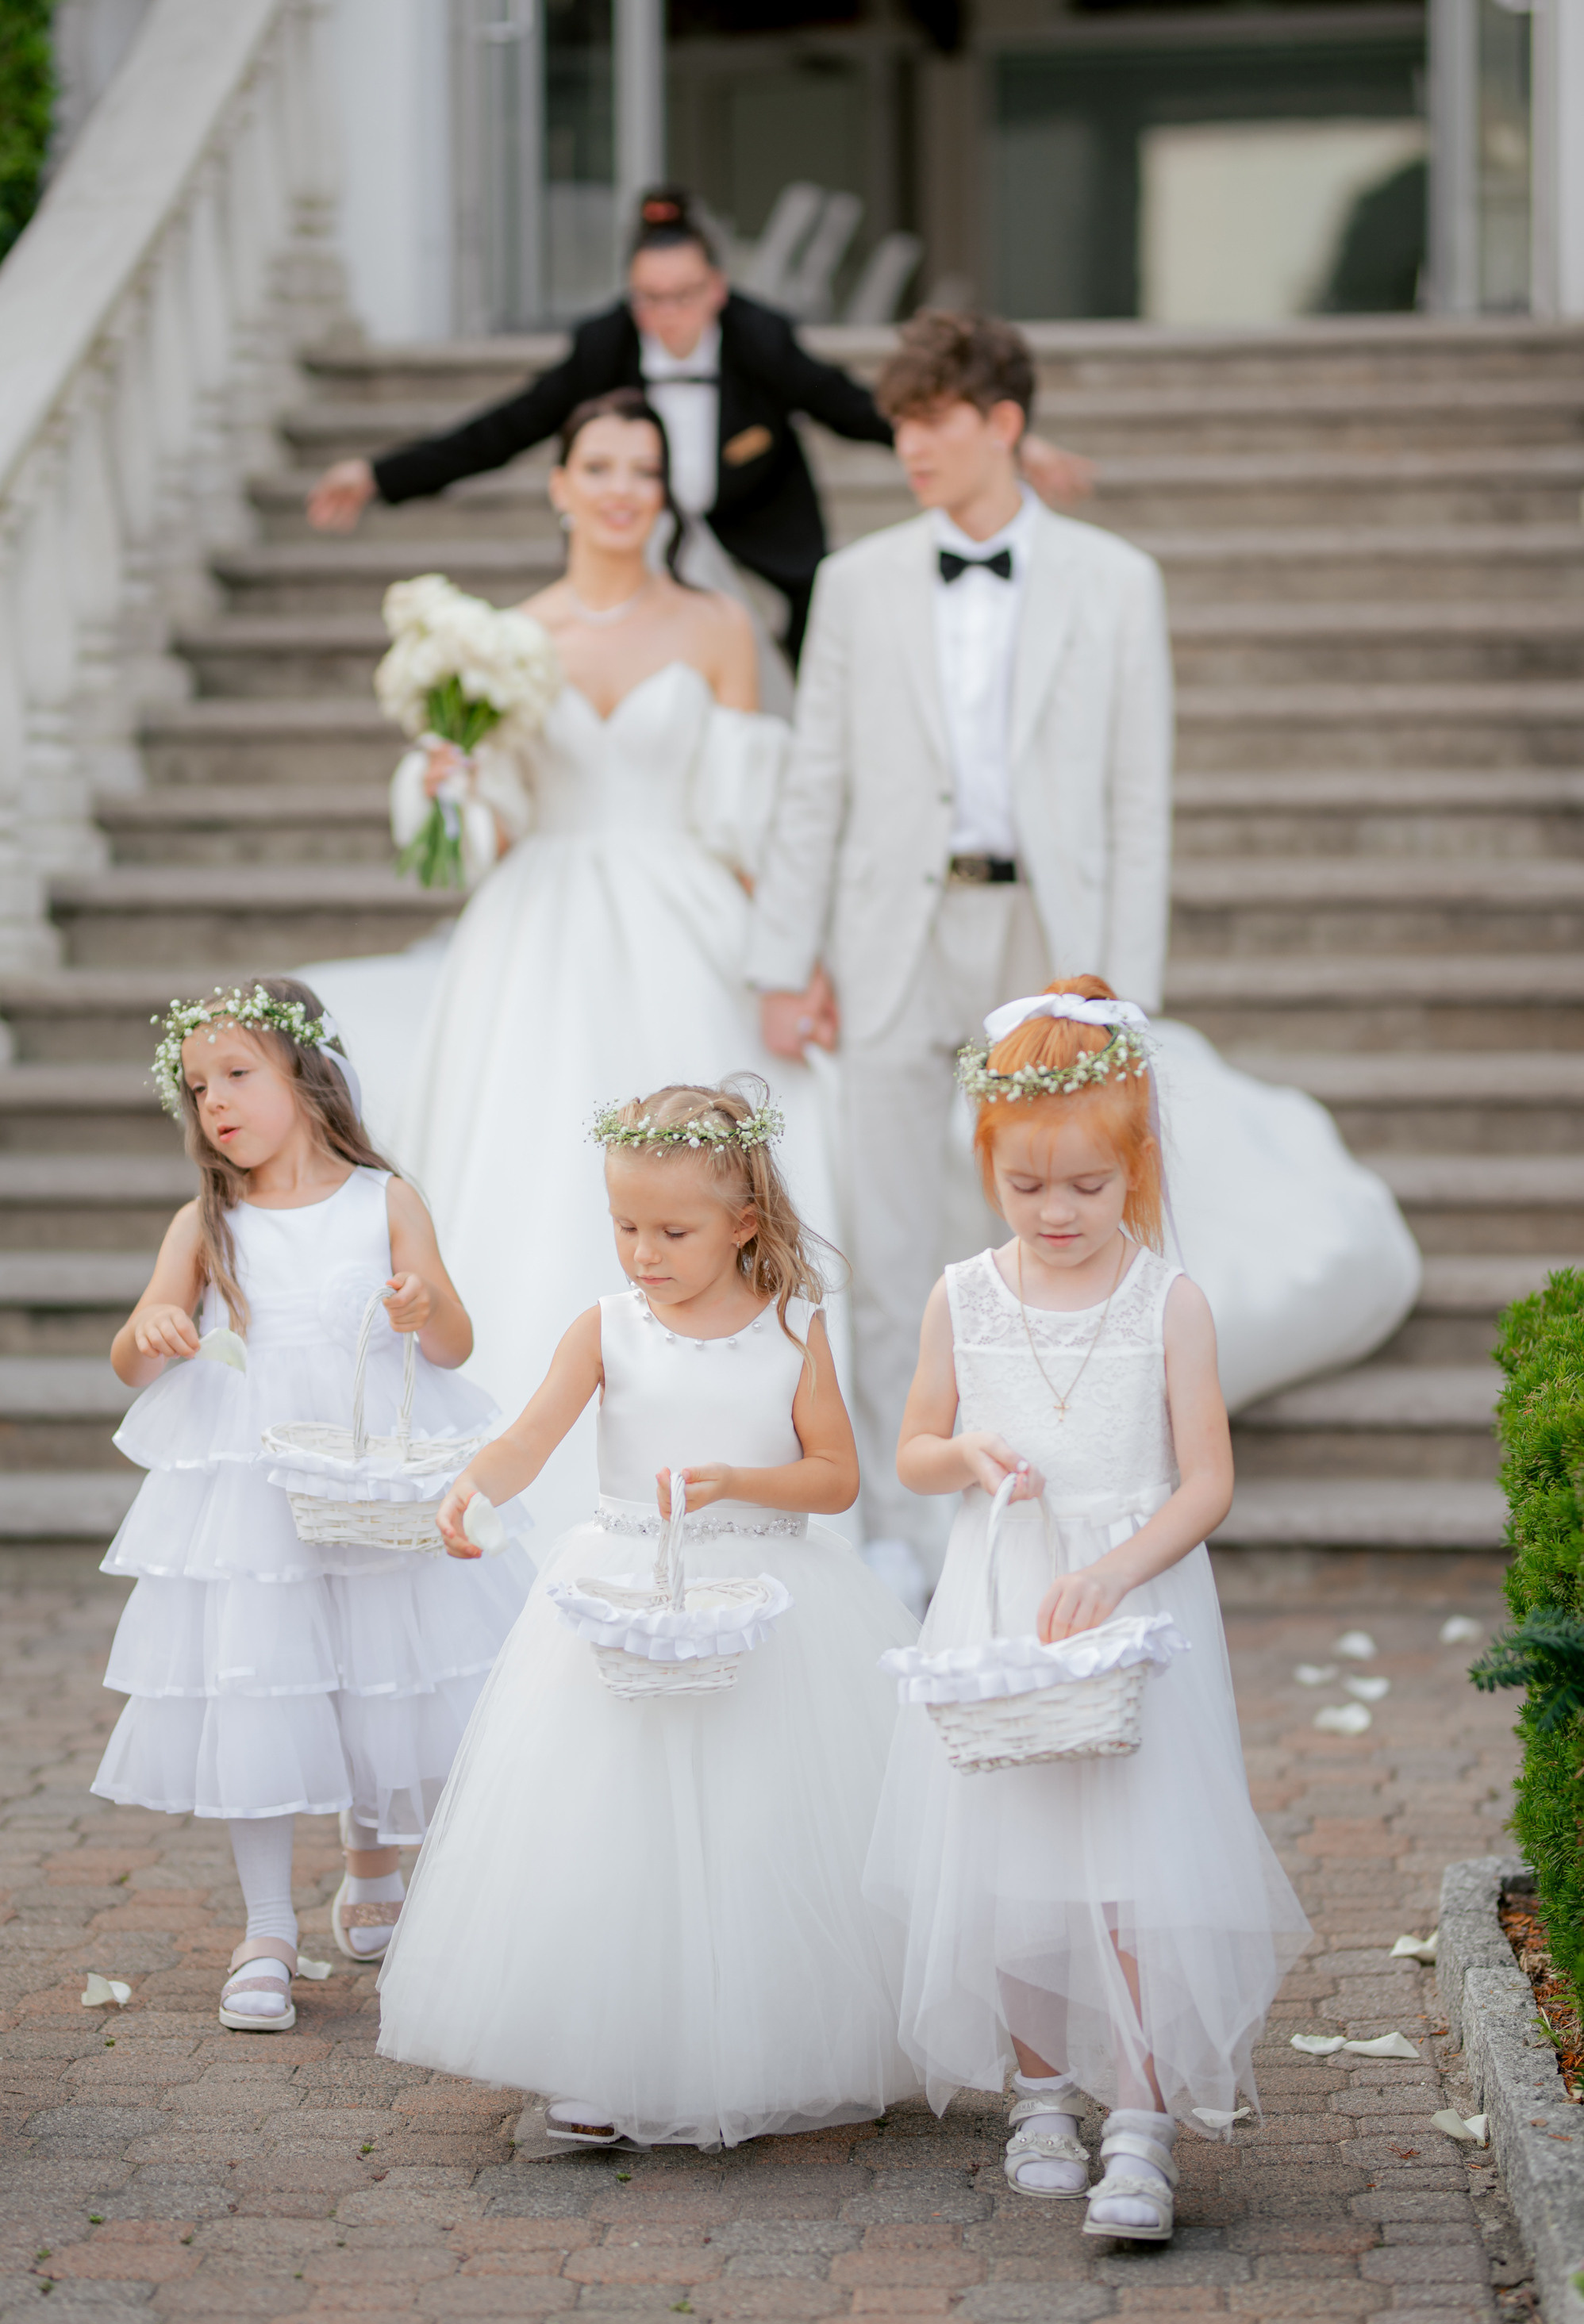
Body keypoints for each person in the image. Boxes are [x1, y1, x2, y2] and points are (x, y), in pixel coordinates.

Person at [747, 309, 1420, 1590]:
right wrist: (786, 957)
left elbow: (1135, 798)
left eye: (933, 422)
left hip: (1049, 940)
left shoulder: (1116, 581)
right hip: (891, 931)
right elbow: (814, 779)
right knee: (889, 1238)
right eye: (898, 425)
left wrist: (1125, 987)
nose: (910, 449)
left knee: (1060, 1220)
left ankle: (1084, 1500)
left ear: (1002, 423)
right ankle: (902, 1523)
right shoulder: (857, 582)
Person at [303, 390, 843, 1551]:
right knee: (530, 1166)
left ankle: (724, 1447)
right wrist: (448, 783)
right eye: (598, 466)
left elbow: (750, 820)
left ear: (664, 494)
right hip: (535, 931)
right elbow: (484, 831)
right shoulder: (504, 639)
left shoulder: (715, 626)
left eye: (642, 471)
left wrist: (792, 962)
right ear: (559, 486)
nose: (619, 490)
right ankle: (510, 1474)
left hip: (682, 919)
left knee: (703, 1159)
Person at [375, 1081, 918, 2149]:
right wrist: (475, 1485)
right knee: (612, 1831)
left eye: (673, 1230)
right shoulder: (607, 1329)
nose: (643, 1252)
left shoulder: (792, 1330)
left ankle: (765, 2047)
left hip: (766, 1606)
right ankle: (609, 2059)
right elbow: (531, 1436)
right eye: (624, 1226)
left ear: (745, 1223)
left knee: (761, 1828)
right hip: (626, 1597)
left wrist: (739, 1482)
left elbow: (836, 1479)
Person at [863, 982, 1313, 2238]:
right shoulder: (966, 1294)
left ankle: (1144, 2116)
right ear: (988, 1166)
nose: (1056, 1214)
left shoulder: (1169, 1301)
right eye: (1028, 1188)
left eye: (1087, 1189)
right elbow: (911, 1447)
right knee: (1011, 1862)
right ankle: (1042, 2092)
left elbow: (1209, 1477)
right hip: (1005, 1590)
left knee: (1130, 1873)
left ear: (1136, 1171)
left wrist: (1120, 1569)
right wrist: (971, 1456)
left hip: (1130, 1609)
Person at [92, 979, 531, 2033]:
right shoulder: (208, 1222)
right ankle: (267, 1926)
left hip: (367, 1452)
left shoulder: (384, 1201)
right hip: (250, 1473)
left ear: (306, 1075)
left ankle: (375, 1859)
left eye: (237, 1075)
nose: (216, 1104)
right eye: (196, 1088)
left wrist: (421, 1308)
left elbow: (455, 1340)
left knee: (380, 1659)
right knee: (267, 1682)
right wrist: (154, 1327)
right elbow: (130, 1349)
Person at [306, 186, 1090, 683]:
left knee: (803, 665)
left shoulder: (759, 338)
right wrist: (381, 475)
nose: (667, 318)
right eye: (649, 300)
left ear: (716, 288)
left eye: (683, 297)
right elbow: (506, 428)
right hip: (638, 540)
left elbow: (850, 406)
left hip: (757, 543)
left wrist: (1006, 448)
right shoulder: (603, 347)